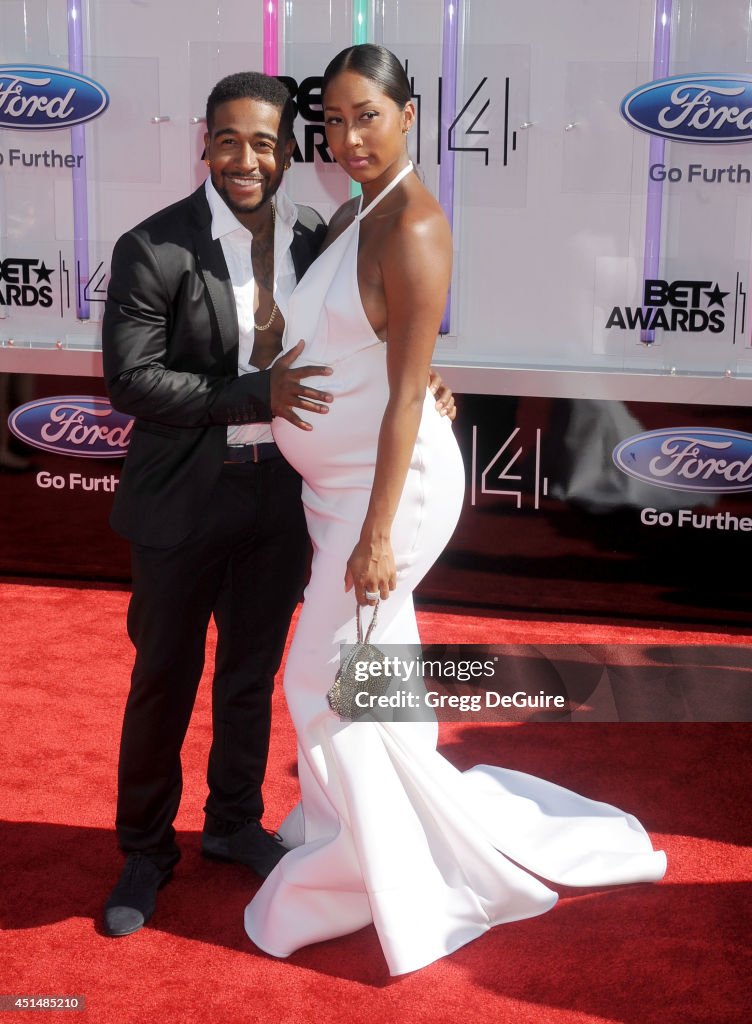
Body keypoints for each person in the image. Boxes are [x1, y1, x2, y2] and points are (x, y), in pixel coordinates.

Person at [243, 44, 667, 976]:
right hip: (336, 489)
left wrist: (379, 533)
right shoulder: (363, 211)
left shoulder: (417, 225)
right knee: (370, 682)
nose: (349, 137)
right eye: (337, 121)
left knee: (323, 679)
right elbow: (379, 354)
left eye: (369, 117)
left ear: (408, 117)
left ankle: (367, 875)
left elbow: (403, 400)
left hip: (387, 497)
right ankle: (358, 835)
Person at [100, 70, 454, 939]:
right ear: (204, 144)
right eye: (229, 140)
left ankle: (231, 825)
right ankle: (145, 851)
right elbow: (132, 381)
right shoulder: (153, 247)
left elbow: (367, 329)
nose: (247, 158)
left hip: (283, 501)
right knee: (164, 678)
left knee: (253, 673)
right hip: (185, 496)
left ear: (291, 151)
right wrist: (254, 394)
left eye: (266, 142)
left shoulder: (318, 232)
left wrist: (422, 380)